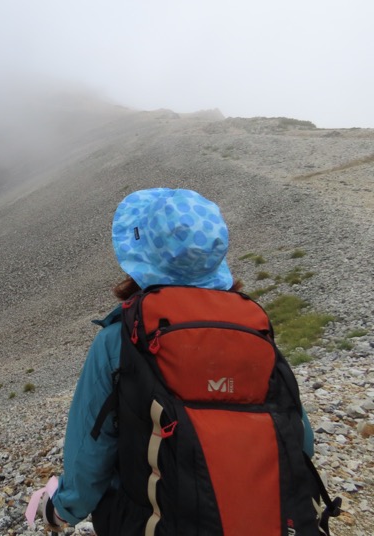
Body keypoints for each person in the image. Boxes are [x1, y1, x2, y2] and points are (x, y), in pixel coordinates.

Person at [37, 187, 315, 533]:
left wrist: (60, 509)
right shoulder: (252, 329)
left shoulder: (120, 337)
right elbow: (302, 441)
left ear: (141, 255)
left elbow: (91, 450)